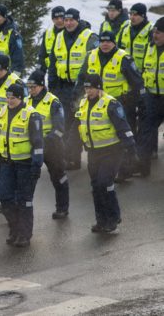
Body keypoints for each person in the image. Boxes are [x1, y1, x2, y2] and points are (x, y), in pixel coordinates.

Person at [74, 31, 146, 181]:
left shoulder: (123, 58)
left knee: (123, 136)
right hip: (96, 103)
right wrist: (77, 96)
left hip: (120, 104)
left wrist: (132, 100)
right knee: (103, 135)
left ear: (114, 43)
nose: (105, 44)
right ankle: (108, 170)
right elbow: (81, 78)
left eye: (108, 41)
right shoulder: (91, 56)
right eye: (102, 41)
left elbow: (138, 82)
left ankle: (125, 170)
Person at [75, 74, 136, 233]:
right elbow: (77, 126)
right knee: (96, 187)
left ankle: (113, 217)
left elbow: (123, 127)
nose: (88, 91)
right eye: (86, 88)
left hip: (112, 151)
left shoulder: (111, 104)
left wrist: (131, 150)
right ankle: (101, 220)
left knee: (104, 183)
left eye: (92, 88)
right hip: (93, 152)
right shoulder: (83, 104)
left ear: (99, 88)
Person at [0, 83, 44, 247]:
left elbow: (38, 143)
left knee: (24, 201)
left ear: (21, 98)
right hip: (7, 163)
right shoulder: (2, 112)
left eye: (13, 98)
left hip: (25, 164)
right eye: (8, 97)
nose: (9, 101)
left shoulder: (31, 116)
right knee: (4, 196)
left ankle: (24, 234)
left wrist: (36, 165)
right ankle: (15, 228)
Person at [48, 7, 99, 170]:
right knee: (64, 122)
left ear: (78, 20)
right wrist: (52, 86)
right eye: (66, 20)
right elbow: (53, 63)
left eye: (72, 20)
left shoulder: (89, 37)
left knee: (77, 123)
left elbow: (93, 62)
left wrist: (85, 87)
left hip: (82, 88)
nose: (68, 23)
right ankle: (70, 158)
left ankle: (77, 157)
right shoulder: (59, 36)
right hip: (63, 87)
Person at [25, 70, 68, 219]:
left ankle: (62, 207)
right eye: (29, 87)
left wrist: (44, 142)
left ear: (42, 86)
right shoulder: (26, 101)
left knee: (58, 177)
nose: (31, 90)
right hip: (32, 147)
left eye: (34, 87)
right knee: (28, 179)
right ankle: (22, 209)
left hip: (52, 147)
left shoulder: (53, 102)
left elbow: (59, 129)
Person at [137, 17, 164, 176]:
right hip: (152, 97)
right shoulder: (150, 47)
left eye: (159, 33)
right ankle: (142, 166)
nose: (155, 35)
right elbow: (143, 71)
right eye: (154, 31)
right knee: (146, 131)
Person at [118, 3, 153, 71]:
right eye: (130, 14)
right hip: (125, 72)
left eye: (135, 15)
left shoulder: (150, 31)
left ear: (143, 16)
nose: (132, 17)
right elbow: (118, 50)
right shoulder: (125, 29)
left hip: (142, 73)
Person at [38, 6, 65, 73]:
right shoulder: (47, 34)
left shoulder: (72, 32)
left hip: (68, 73)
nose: (59, 20)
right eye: (56, 18)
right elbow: (42, 56)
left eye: (62, 17)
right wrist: (39, 72)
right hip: (52, 73)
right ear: (52, 19)